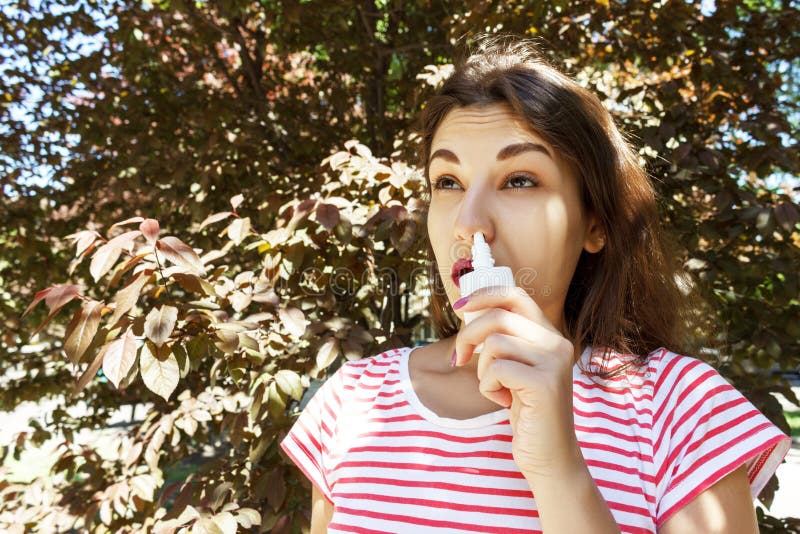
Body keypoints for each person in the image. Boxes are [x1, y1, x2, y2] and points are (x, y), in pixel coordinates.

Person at [279, 35, 791, 533]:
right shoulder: (352, 402)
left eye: (520, 180)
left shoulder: (683, 411)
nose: (469, 222)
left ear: (594, 223)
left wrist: (559, 471)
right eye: (448, 183)